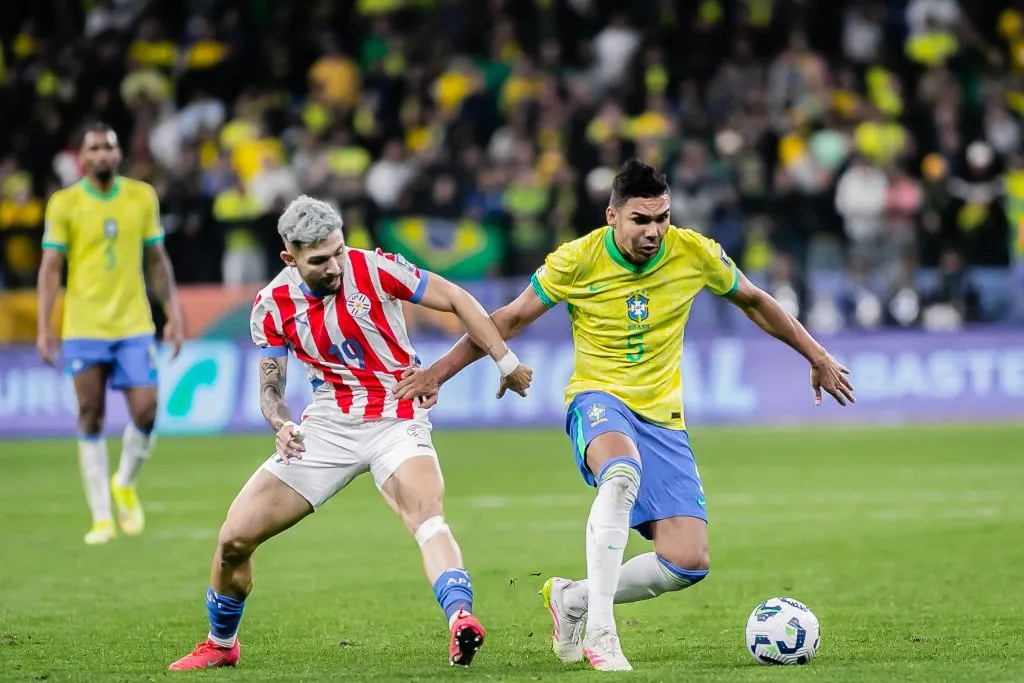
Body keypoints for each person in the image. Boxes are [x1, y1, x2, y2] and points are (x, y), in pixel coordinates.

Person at [394, 159, 855, 671]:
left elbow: (753, 299)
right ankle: (603, 632)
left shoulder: (694, 252)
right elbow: (510, 317)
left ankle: (571, 600)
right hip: (598, 398)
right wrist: (437, 373)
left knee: (687, 562)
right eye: (641, 220)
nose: (655, 231)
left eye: (662, 217)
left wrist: (816, 354)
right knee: (620, 472)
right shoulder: (577, 259)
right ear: (612, 215)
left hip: (663, 418)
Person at [168, 196, 533, 671]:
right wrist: (280, 424)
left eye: (338, 251)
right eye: (320, 260)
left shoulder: (375, 268)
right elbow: (271, 388)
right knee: (234, 538)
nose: (335, 265)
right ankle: (221, 644)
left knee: (426, 512)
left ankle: (460, 617)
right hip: (325, 430)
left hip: (396, 416)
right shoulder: (272, 306)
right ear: (289, 258)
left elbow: (458, 299)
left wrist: (505, 361)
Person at [37, 122, 184, 545]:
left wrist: (172, 312)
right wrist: (45, 327)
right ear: (82, 157)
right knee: (91, 415)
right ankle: (101, 517)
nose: (102, 154)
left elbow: (157, 260)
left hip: (134, 323)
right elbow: (50, 269)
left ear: (119, 155)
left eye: (109, 148)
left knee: (146, 411)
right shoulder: (64, 204)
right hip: (83, 326)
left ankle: (124, 483)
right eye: (94, 148)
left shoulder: (141, 197)